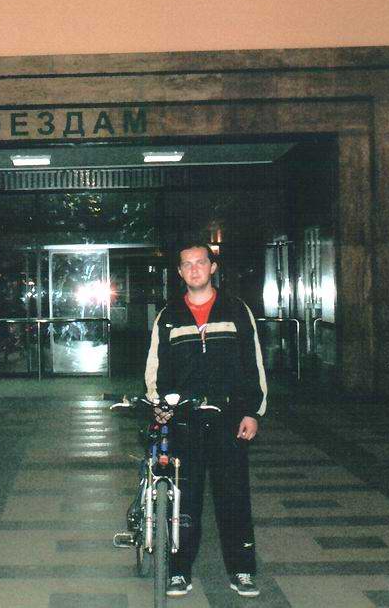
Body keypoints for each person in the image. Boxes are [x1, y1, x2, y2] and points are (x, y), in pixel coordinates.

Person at [144, 241, 267, 598]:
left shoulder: (236, 310)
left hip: (229, 418)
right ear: (179, 272)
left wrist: (252, 411)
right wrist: (159, 404)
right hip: (184, 420)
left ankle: (242, 570)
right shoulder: (168, 315)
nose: (194, 269)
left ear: (213, 267)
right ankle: (178, 571)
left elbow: (253, 364)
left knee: (234, 497)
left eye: (201, 262)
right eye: (187, 264)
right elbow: (155, 367)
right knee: (184, 500)